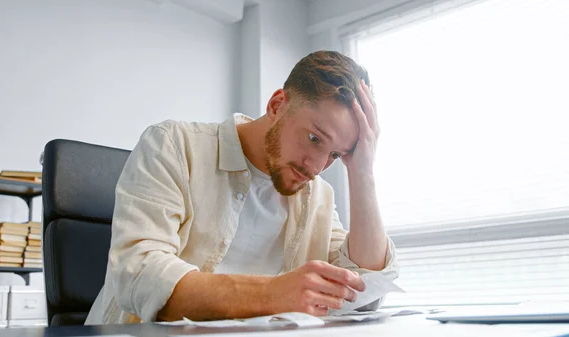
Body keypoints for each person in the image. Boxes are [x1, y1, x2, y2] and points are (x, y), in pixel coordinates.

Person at [85, 50, 399, 324]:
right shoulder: (172, 146)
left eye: (334, 154)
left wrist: (362, 173)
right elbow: (138, 275)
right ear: (277, 105)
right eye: (314, 138)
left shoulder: (318, 196)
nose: (315, 168)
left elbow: (364, 290)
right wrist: (275, 294)